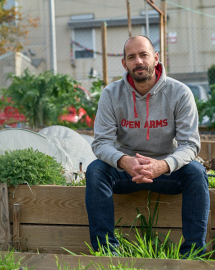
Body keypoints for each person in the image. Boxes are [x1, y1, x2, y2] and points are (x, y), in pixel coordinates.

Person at [85, 35, 210, 257]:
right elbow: (101, 142)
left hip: (168, 172)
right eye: (131, 57)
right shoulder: (111, 94)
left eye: (143, 55)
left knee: (197, 172)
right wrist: (124, 161)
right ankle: (106, 253)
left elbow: (190, 144)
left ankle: (192, 254)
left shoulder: (180, 93)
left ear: (155, 57)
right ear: (124, 63)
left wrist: (164, 165)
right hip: (126, 171)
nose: (139, 61)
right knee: (96, 170)